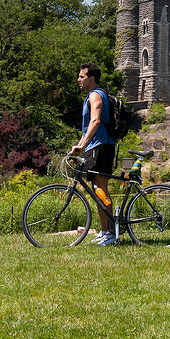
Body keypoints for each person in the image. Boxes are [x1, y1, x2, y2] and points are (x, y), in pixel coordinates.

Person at [71, 63, 117, 245]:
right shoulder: (92, 95)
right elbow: (87, 127)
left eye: (82, 76)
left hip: (101, 146)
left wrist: (82, 146)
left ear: (91, 78)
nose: (78, 79)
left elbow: (96, 120)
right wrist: (80, 146)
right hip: (94, 147)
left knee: (101, 189)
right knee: (98, 191)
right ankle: (105, 230)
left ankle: (110, 233)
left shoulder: (96, 95)